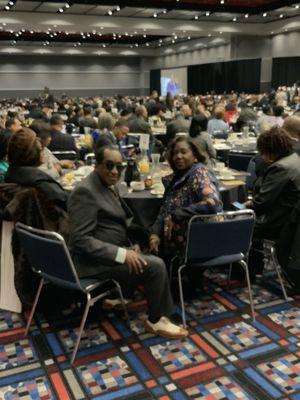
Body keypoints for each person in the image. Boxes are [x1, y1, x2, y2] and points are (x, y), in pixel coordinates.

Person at [68, 145, 187, 338]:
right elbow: (80, 240)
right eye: (109, 165)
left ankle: (120, 295)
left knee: (150, 247)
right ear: (97, 165)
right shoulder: (85, 192)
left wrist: (129, 244)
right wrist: (122, 254)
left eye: (119, 166)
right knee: (156, 266)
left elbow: (117, 222)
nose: (115, 171)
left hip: (108, 251)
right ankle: (157, 320)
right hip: (89, 263)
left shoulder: (106, 184)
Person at [150, 137, 221, 257]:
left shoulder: (199, 173)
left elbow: (212, 203)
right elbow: (164, 209)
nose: (178, 156)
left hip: (199, 243)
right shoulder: (175, 178)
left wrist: (176, 215)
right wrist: (155, 234)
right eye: (175, 153)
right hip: (177, 242)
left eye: (183, 152)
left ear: (195, 155)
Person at [245, 126, 300, 276]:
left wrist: (248, 205)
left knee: (240, 223)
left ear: (272, 150)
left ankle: (247, 270)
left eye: (263, 151)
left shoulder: (280, 167)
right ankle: (255, 266)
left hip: (279, 222)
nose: (262, 156)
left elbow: (262, 202)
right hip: (289, 217)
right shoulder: (294, 158)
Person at [4, 128, 68, 210]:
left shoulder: (11, 175)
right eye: (41, 150)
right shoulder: (40, 182)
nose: (43, 152)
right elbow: (64, 201)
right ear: (34, 155)